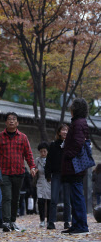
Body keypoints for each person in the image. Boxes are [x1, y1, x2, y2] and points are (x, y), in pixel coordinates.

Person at [0, 112, 36, 232]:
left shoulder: (23, 137)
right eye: (9, 119)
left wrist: (32, 167)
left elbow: (28, 154)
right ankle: (6, 222)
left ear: (17, 123)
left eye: (14, 119)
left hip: (19, 172)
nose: (11, 121)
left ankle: (13, 221)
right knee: (7, 197)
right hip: (4, 172)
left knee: (15, 198)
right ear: (5, 122)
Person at [61, 98, 90, 235]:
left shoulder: (78, 124)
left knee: (77, 195)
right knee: (75, 195)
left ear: (75, 109)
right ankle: (77, 224)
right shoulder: (79, 122)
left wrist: (68, 155)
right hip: (74, 165)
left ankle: (82, 225)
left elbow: (78, 143)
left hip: (75, 165)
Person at [45, 124, 71, 230]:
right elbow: (49, 161)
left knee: (67, 200)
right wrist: (48, 174)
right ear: (59, 132)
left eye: (67, 130)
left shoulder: (70, 145)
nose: (65, 132)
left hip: (68, 175)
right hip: (56, 174)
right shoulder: (53, 145)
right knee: (54, 199)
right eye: (63, 130)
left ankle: (67, 222)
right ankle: (51, 221)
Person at [35, 142, 51, 227]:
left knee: (49, 201)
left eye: (44, 151)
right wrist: (34, 171)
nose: (43, 153)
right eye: (41, 151)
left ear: (47, 151)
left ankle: (49, 220)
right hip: (40, 182)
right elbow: (34, 168)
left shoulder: (51, 159)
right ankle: (42, 220)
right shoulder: (37, 160)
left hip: (49, 182)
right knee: (40, 201)